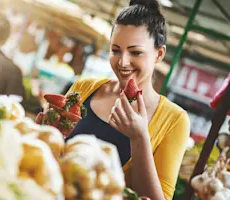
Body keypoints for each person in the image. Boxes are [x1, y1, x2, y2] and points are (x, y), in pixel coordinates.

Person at [66, 0, 190, 199]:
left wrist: (139, 137)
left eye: (135, 52)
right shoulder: (84, 88)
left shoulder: (174, 119)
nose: (123, 62)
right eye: (116, 50)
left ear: (159, 54)